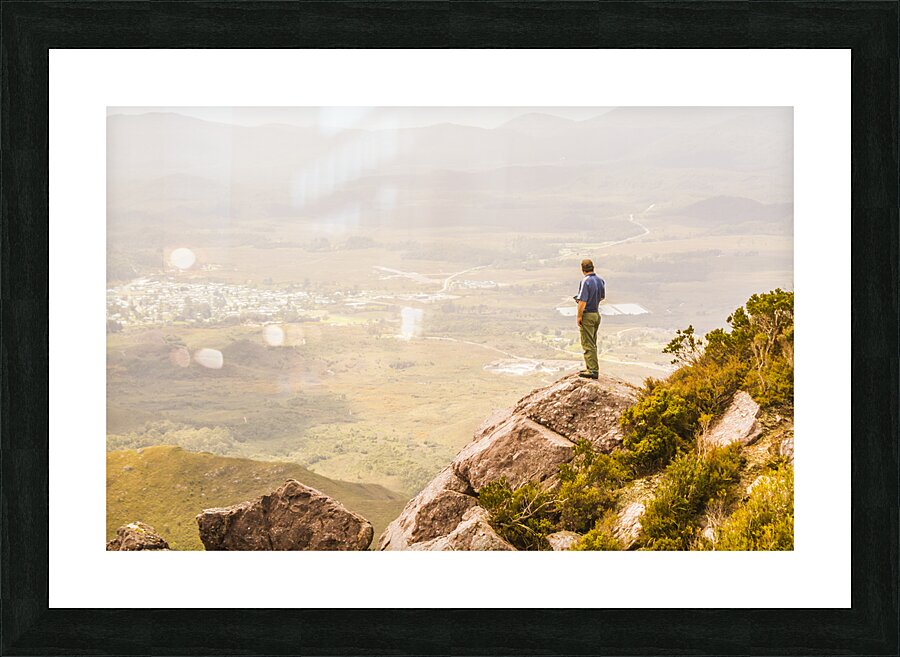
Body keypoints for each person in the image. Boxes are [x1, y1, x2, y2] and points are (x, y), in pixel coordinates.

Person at [574, 258, 605, 379]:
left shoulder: (585, 281)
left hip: (587, 315)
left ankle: (592, 370)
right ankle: (591, 367)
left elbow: (582, 301)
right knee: (593, 342)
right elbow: (602, 297)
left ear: (582, 269)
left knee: (587, 343)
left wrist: (579, 316)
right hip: (596, 314)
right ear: (593, 267)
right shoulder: (600, 280)